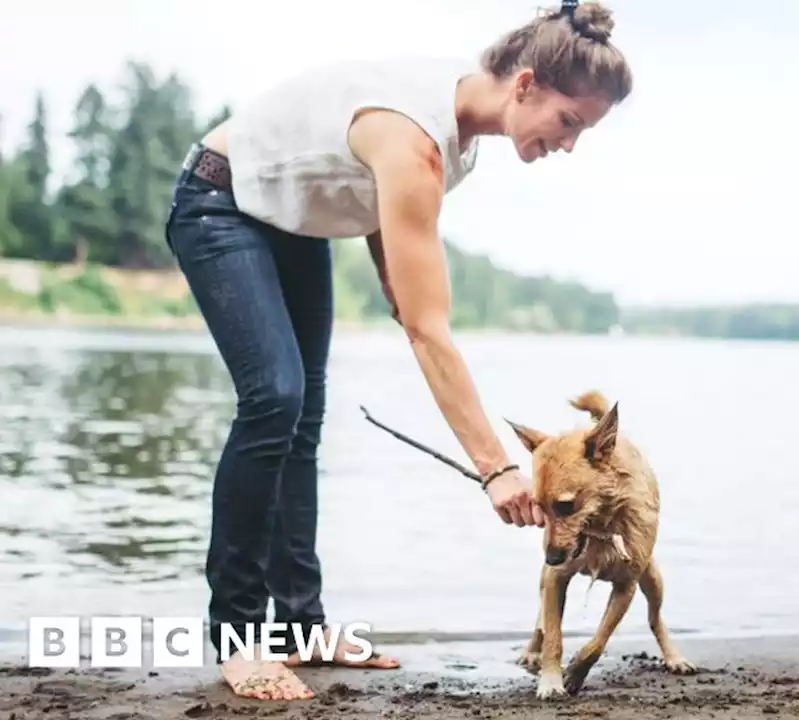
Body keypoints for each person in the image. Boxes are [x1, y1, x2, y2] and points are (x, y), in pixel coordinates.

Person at [161, 0, 632, 701]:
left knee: (303, 419)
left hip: (291, 225)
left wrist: (391, 276)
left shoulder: (456, 139)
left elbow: (377, 209)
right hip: (219, 203)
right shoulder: (416, 138)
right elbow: (427, 330)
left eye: (582, 132)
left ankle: (299, 627)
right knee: (275, 400)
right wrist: (496, 468)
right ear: (526, 83)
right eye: (569, 122)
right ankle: (237, 637)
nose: (568, 143)